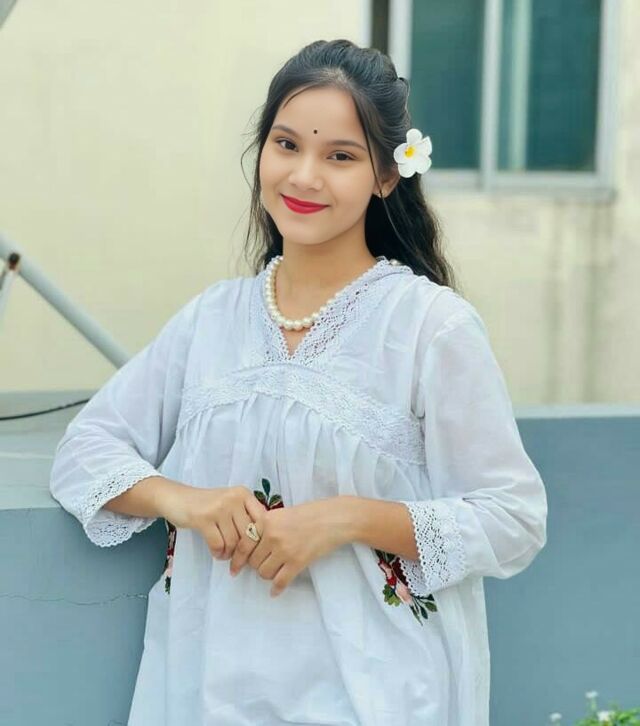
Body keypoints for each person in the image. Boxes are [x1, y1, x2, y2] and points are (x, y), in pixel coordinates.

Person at [49, 38, 548, 726]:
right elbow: (85, 451)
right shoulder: (210, 321)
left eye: (340, 156)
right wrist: (185, 501)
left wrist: (344, 518)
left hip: (379, 693)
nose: (304, 176)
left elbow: (514, 518)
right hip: (208, 689)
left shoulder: (429, 327)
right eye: (286, 145)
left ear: (387, 176)